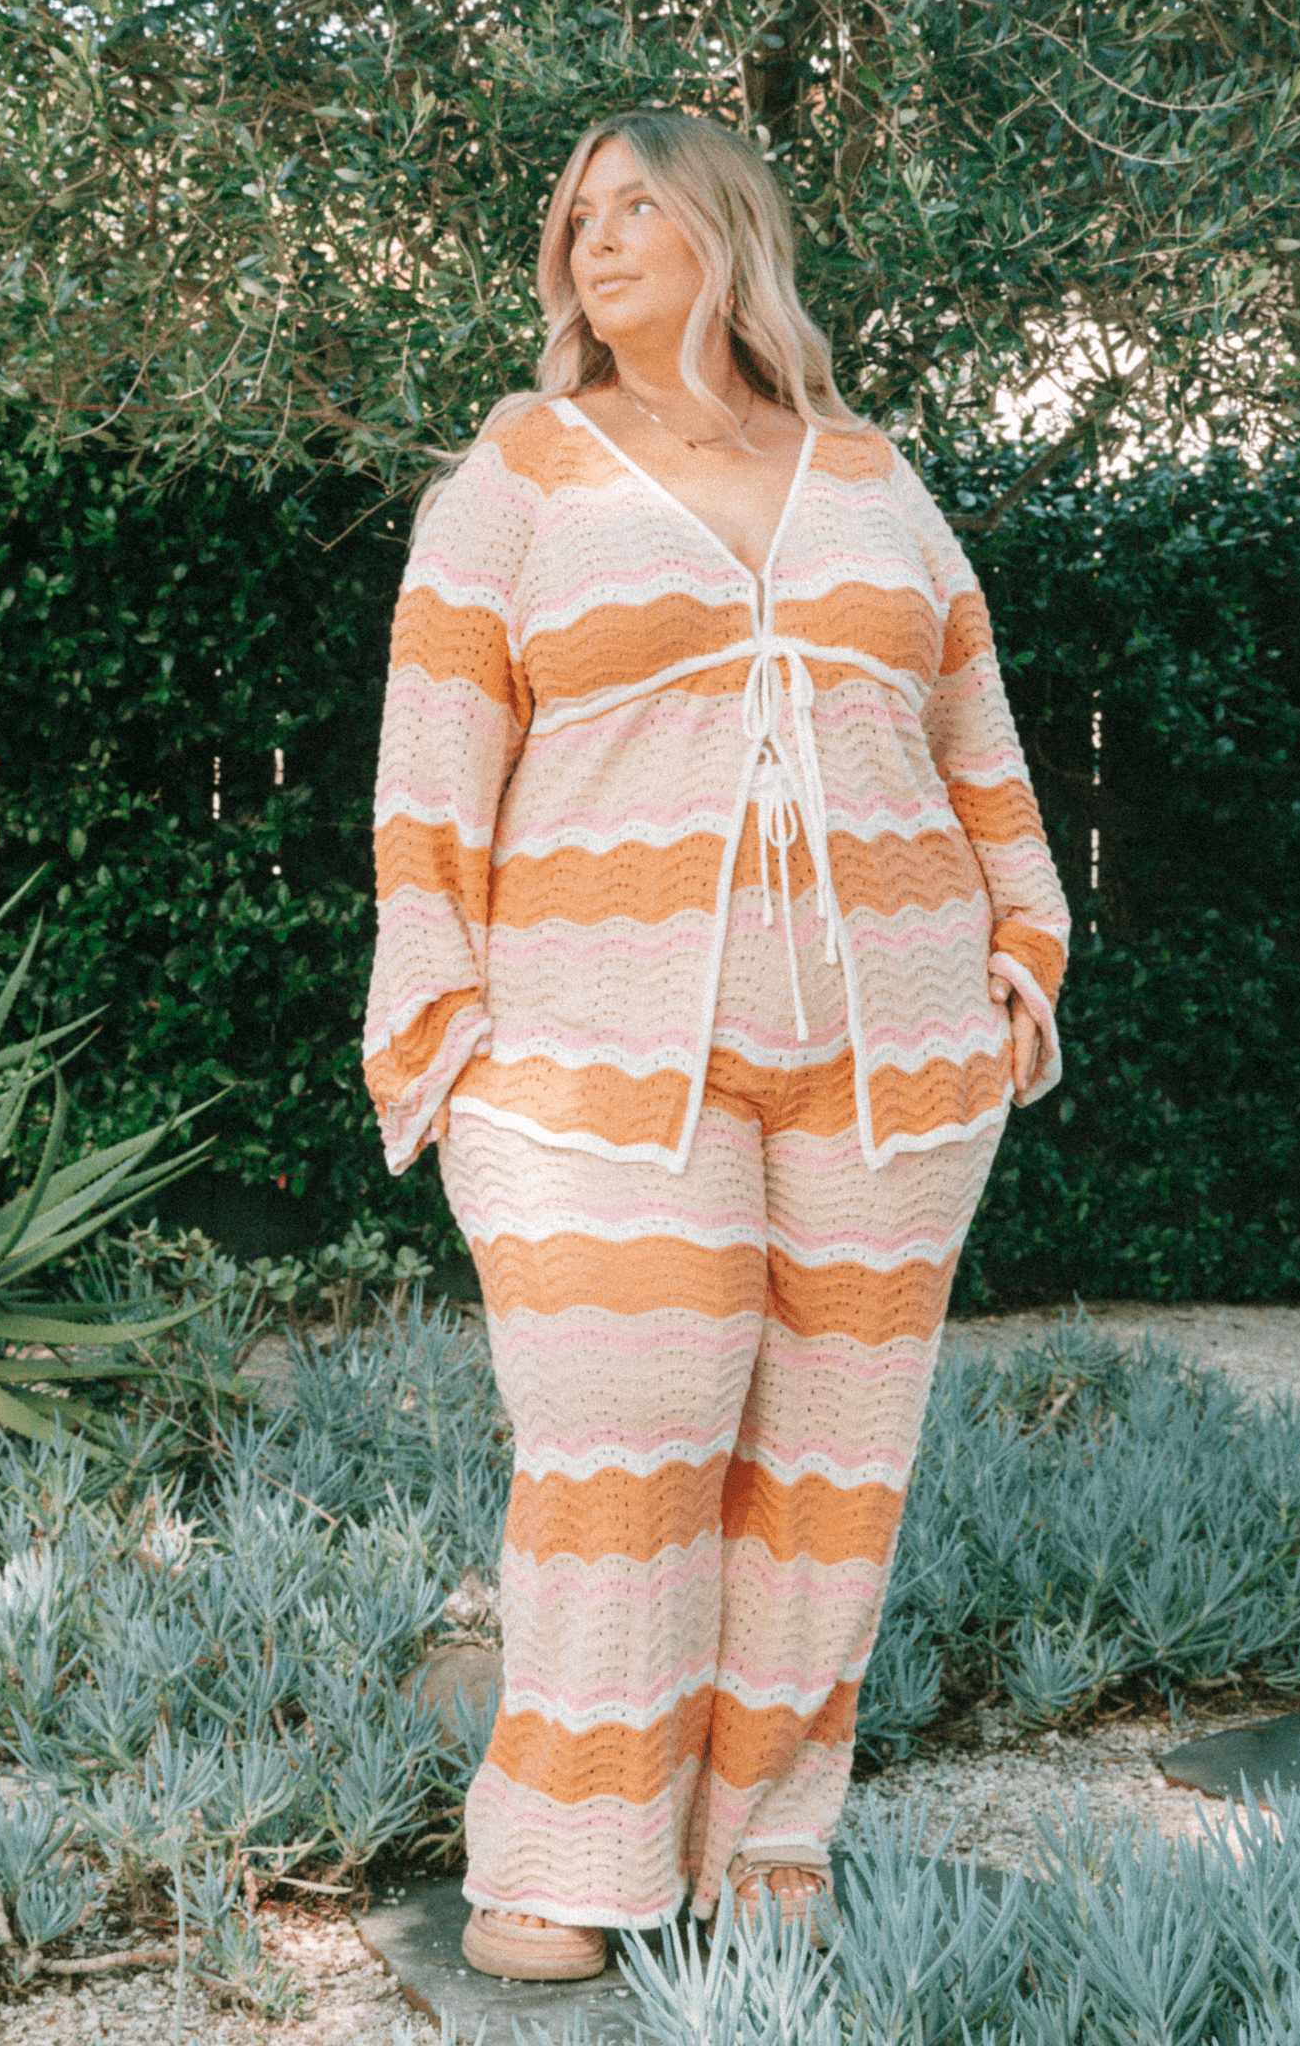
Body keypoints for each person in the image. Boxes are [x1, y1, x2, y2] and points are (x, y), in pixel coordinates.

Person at [363, 108, 1068, 1982]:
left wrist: (1023, 948)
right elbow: (430, 775)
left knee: (829, 1476)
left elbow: (974, 729)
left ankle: (762, 1842)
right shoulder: (516, 476)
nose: (593, 241)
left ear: (727, 232)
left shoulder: (869, 476)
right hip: (585, 1061)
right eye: (575, 216)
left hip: (890, 1055)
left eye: (635, 207)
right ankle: (564, 1860)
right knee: (621, 1447)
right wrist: (443, 1028)